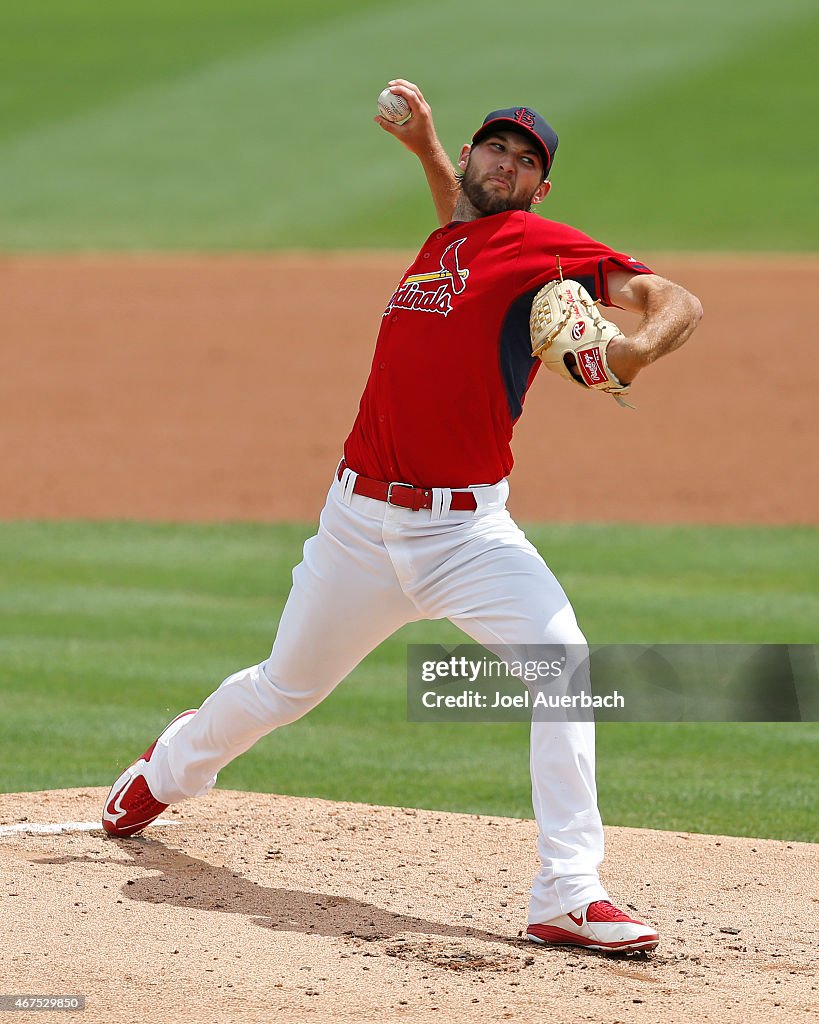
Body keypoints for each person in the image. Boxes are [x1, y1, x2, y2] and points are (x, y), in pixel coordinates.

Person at [102, 81, 702, 954]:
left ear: (542, 190)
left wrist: (633, 353)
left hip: (466, 536)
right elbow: (461, 221)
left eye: (527, 159)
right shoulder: (446, 240)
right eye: (496, 147)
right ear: (470, 158)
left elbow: (674, 297)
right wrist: (423, 144)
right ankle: (164, 772)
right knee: (282, 688)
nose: (508, 162)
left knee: (562, 665)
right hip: (356, 527)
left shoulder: (542, 246)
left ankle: (567, 892)